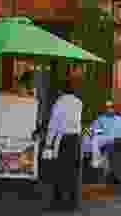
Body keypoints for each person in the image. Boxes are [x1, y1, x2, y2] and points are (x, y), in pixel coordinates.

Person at [44, 79, 83, 210]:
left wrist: (48, 142)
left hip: (64, 140)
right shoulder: (79, 102)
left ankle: (58, 201)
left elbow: (53, 124)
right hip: (76, 139)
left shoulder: (59, 103)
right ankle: (73, 202)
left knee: (60, 171)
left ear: (61, 90)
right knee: (73, 172)